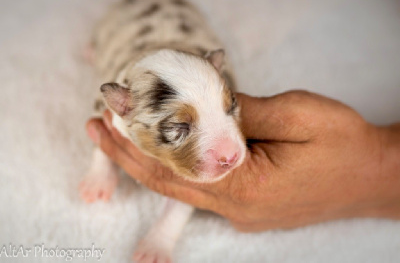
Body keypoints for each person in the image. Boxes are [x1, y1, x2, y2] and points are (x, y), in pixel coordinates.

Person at [85, 90, 400, 232]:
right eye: (181, 128)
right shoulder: (130, 100)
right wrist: (101, 165)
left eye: (229, 108)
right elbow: (110, 120)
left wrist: (381, 163)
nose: (229, 156)